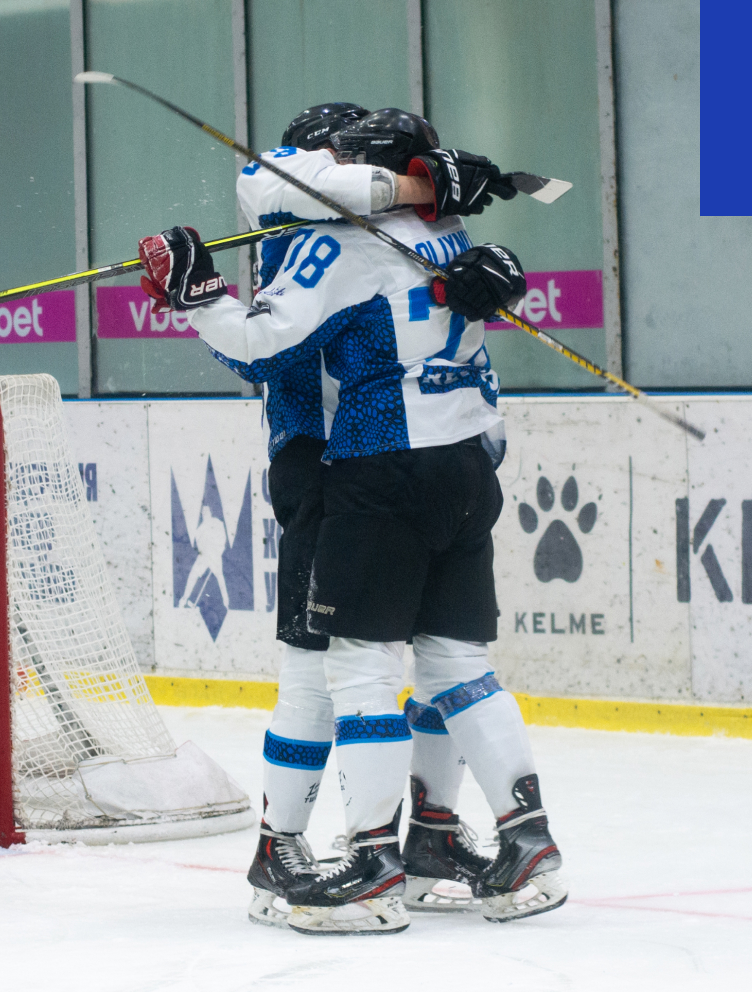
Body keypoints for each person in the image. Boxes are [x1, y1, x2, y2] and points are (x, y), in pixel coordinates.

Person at [143, 107, 562, 935]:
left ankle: (368, 855)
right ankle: (506, 837)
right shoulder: (428, 227)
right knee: (447, 664)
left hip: (360, 470)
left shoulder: (328, 238)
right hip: (454, 461)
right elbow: (277, 196)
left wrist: (196, 299)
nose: (304, 162)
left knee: (345, 671)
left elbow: (272, 349)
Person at [235, 105, 525, 924]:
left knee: (431, 663)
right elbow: (259, 344)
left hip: (402, 472)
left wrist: (479, 254)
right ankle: (279, 847)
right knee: (317, 675)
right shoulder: (294, 220)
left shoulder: (394, 227)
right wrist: (415, 180)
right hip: (325, 473)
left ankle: (426, 831)